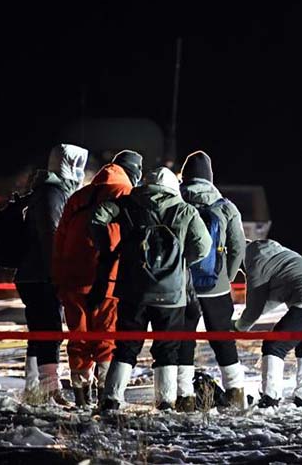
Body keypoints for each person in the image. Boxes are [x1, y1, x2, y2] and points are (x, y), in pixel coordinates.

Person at [89, 167, 212, 411]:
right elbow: (204, 246)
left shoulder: (128, 204)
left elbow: (97, 216)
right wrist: (181, 261)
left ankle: (111, 398)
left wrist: (108, 247)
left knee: (126, 345)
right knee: (167, 348)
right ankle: (165, 402)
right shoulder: (184, 210)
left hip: (133, 290)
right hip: (171, 294)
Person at [52, 150, 143, 407]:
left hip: (72, 279)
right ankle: (106, 395)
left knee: (78, 336)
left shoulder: (79, 196)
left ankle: (81, 396)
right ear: (133, 173)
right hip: (110, 278)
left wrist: (58, 276)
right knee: (107, 336)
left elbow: (59, 239)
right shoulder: (128, 195)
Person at [233, 239, 302, 408]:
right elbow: (270, 301)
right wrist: (245, 320)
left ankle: (270, 398)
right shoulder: (280, 256)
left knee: (274, 345)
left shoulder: (255, 263)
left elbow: (255, 306)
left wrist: (238, 327)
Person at [15, 143, 88, 405]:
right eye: (77, 165)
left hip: (34, 273)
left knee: (40, 331)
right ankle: (49, 390)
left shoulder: (48, 191)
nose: (80, 172)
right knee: (50, 330)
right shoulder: (52, 193)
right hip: (42, 274)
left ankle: (35, 388)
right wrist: (60, 271)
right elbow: (52, 237)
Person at [176, 151, 247, 412]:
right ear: (209, 177)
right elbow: (238, 248)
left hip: (182, 284)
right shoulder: (225, 206)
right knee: (222, 337)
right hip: (216, 285)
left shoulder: (177, 201)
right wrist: (225, 278)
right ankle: (235, 392)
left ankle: (183, 396)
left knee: (184, 338)